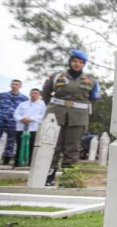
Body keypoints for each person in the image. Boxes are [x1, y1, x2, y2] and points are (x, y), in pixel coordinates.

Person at [43, 50, 101, 185]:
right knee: (52, 146)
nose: (77, 64)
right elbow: (46, 94)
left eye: (81, 62)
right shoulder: (56, 76)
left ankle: (68, 177)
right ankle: (48, 176)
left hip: (78, 117)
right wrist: (53, 108)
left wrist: (83, 112)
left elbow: (94, 100)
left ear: (84, 64)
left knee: (72, 148)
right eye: (75, 61)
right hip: (55, 114)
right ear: (70, 62)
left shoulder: (91, 81)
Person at [0, 80, 28, 165]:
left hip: (14, 122)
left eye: (16, 84)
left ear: (20, 86)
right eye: (13, 84)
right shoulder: (1, 95)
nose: (14, 86)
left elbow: (25, 112)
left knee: (11, 141)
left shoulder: (24, 98)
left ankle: (7, 159)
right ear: (10, 85)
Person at [12, 88, 46, 168]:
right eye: (32, 93)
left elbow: (43, 115)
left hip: (33, 128)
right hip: (21, 127)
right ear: (30, 94)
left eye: (36, 93)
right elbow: (16, 114)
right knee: (19, 145)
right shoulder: (23, 104)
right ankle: (17, 163)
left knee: (32, 146)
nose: (34, 94)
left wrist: (31, 119)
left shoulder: (42, 104)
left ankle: (31, 163)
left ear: (39, 95)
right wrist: (21, 119)